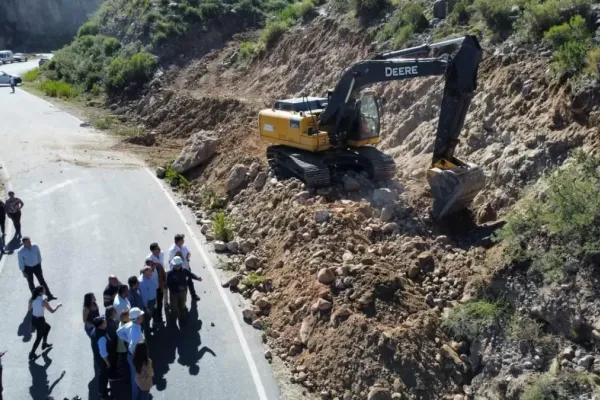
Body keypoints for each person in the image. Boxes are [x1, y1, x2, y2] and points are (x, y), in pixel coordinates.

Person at [116, 307, 145, 400]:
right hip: (135, 357)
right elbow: (132, 346)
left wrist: (127, 339)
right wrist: (136, 356)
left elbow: (119, 332)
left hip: (131, 355)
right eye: (141, 315)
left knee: (135, 376)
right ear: (137, 318)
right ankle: (135, 397)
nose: (142, 316)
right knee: (135, 378)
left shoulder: (129, 324)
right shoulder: (135, 331)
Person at [166, 256, 202, 327]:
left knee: (182, 307)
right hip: (174, 294)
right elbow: (169, 285)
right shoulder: (170, 274)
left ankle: (181, 320)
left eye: (178, 265)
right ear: (173, 265)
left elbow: (190, 275)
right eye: (176, 265)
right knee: (174, 308)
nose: (177, 266)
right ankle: (173, 322)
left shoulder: (184, 271)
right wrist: (177, 287)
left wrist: (197, 278)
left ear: (181, 264)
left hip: (183, 293)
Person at [29, 286, 62, 360]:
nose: (45, 290)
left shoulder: (32, 299)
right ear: (40, 292)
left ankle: (44, 343)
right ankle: (32, 354)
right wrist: (58, 306)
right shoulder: (43, 302)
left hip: (34, 319)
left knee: (47, 327)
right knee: (38, 337)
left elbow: (29, 309)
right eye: (44, 290)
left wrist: (39, 308)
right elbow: (52, 311)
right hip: (40, 321)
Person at [168, 234, 200, 301]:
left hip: (186, 267)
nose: (183, 241)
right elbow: (171, 262)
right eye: (182, 240)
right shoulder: (172, 250)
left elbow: (188, 253)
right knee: (182, 287)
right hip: (179, 270)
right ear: (179, 241)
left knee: (190, 282)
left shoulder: (184, 246)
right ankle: (182, 302)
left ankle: (193, 295)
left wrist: (188, 256)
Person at [91, 316, 115, 400]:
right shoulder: (101, 337)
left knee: (103, 376)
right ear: (100, 326)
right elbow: (103, 353)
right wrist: (107, 363)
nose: (106, 323)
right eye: (104, 322)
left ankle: (103, 390)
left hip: (97, 357)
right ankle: (103, 394)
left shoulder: (94, 331)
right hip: (103, 360)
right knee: (104, 377)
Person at [146, 243, 167, 325]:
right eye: (156, 249)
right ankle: (154, 320)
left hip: (160, 283)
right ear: (152, 251)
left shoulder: (162, 254)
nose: (159, 250)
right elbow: (145, 273)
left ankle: (160, 317)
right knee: (154, 304)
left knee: (160, 302)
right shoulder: (149, 259)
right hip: (153, 287)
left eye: (159, 248)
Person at [138, 266, 157, 332]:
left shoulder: (149, 277)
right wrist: (146, 307)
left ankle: (147, 328)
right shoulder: (142, 282)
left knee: (150, 315)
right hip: (148, 302)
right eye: (150, 272)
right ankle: (147, 330)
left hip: (152, 300)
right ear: (145, 272)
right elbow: (144, 296)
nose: (152, 273)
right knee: (147, 317)